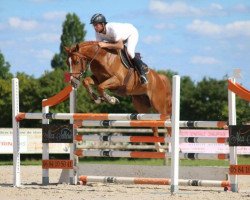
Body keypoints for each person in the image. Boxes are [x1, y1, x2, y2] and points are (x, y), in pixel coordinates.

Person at [90, 13, 148, 85]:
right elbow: (100, 47)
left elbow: (120, 46)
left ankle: (142, 73)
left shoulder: (112, 28)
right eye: (93, 25)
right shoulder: (98, 33)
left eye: (96, 25)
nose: (95, 27)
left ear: (102, 24)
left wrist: (105, 44)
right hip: (116, 39)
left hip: (131, 33)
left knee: (130, 52)